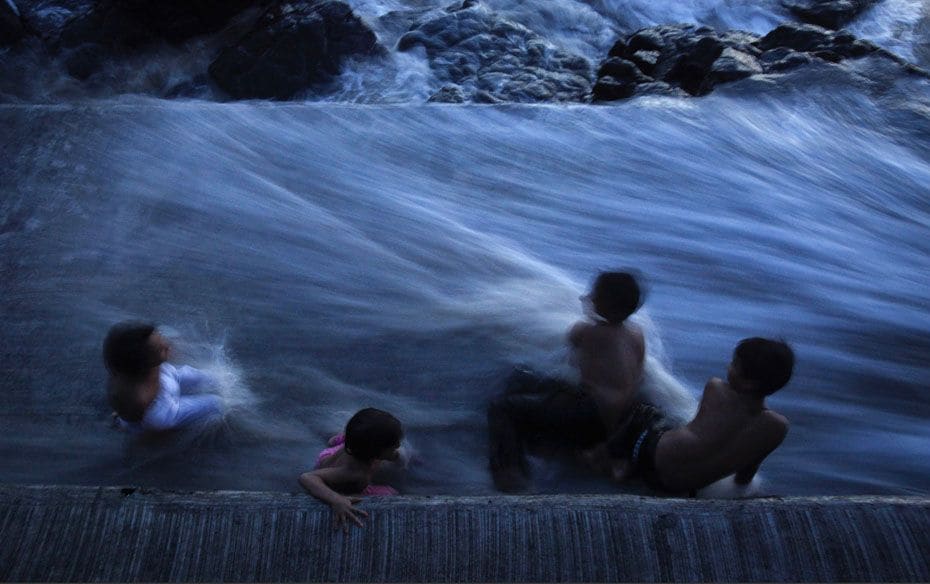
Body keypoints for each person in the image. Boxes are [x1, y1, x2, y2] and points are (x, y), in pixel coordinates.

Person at [487, 270, 645, 492]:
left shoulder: (590, 331)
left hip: (589, 413)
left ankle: (510, 475)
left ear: (606, 305)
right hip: (618, 422)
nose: (586, 298)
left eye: (593, 295)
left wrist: (591, 318)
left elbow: (572, 338)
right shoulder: (637, 334)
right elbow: (637, 375)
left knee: (503, 408)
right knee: (524, 380)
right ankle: (541, 448)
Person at [600, 337, 793, 493]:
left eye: (734, 365)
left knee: (644, 412)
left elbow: (695, 428)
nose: (728, 367)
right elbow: (747, 471)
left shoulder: (716, 388)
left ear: (749, 383)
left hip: (651, 458)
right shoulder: (777, 428)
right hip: (682, 488)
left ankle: (614, 461)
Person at [103, 321, 223, 432]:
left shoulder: (143, 361)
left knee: (215, 379)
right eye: (160, 349)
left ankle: (216, 388)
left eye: (161, 337)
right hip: (162, 410)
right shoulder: (134, 396)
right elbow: (139, 421)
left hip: (166, 380)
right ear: (144, 362)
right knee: (217, 403)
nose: (167, 345)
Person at [299, 408, 403, 531]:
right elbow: (306, 477)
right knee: (392, 493)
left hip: (331, 453)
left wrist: (392, 454)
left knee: (358, 439)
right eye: (393, 445)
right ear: (375, 452)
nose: (398, 445)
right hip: (334, 478)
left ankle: (338, 439)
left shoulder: (359, 448)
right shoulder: (353, 473)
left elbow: (387, 452)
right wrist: (336, 499)